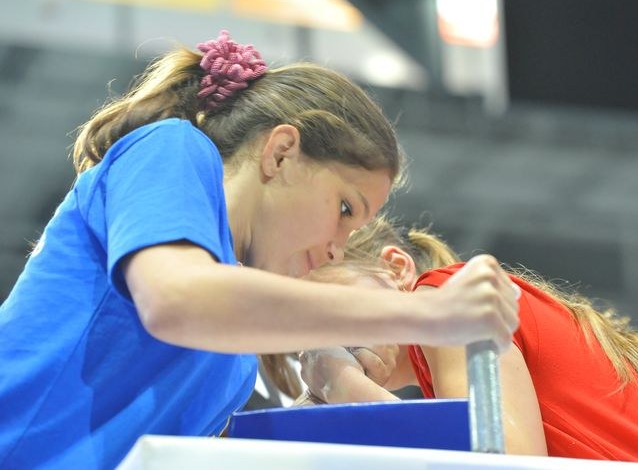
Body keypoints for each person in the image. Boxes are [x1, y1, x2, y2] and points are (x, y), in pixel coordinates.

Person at [0, 31, 520, 469]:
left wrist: (337, 380)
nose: (339, 250)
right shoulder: (173, 149)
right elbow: (177, 299)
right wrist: (423, 315)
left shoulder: (233, 362)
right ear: (281, 153)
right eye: (344, 209)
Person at [299, 216, 638, 469]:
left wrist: (345, 387)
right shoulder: (441, 359)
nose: (328, 336)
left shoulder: (449, 296)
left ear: (396, 269)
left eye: (326, 301)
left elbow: (505, 465)